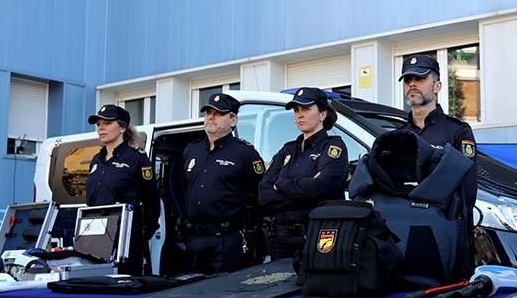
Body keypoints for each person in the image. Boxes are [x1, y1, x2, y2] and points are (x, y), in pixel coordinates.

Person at [259, 87, 349, 261]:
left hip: (314, 236)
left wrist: (282, 184)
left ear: (322, 114)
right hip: (280, 239)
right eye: (296, 110)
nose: (299, 115)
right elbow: (264, 194)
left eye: (306, 109)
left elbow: (322, 187)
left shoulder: (333, 147)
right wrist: (304, 188)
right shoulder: (287, 150)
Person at [180, 92, 264, 274]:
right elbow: (183, 190)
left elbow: (259, 196)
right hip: (195, 239)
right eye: (208, 112)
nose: (211, 117)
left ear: (233, 120)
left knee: (226, 294)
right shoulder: (191, 150)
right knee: (191, 294)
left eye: (218, 113)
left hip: (227, 240)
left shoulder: (245, 153)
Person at [85, 104, 160, 275]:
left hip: (125, 236)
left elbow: (151, 201)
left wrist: (141, 233)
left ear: (122, 127)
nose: (101, 128)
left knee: (124, 284)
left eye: (107, 123)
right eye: (98, 124)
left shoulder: (137, 159)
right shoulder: (96, 160)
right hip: (95, 234)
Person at [395, 55, 478, 209]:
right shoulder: (398, 136)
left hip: (442, 224)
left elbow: (468, 186)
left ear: (437, 86)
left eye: (420, 79)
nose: (412, 84)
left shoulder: (457, 130)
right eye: (407, 80)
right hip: (404, 224)